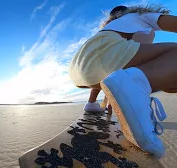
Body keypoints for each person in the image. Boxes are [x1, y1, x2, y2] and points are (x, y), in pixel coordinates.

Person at [69, 4, 177, 158]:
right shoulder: (140, 16)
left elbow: (111, 70)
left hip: (79, 69)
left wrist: (111, 101)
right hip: (107, 54)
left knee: (170, 82)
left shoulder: (109, 28)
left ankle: (91, 104)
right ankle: (137, 90)